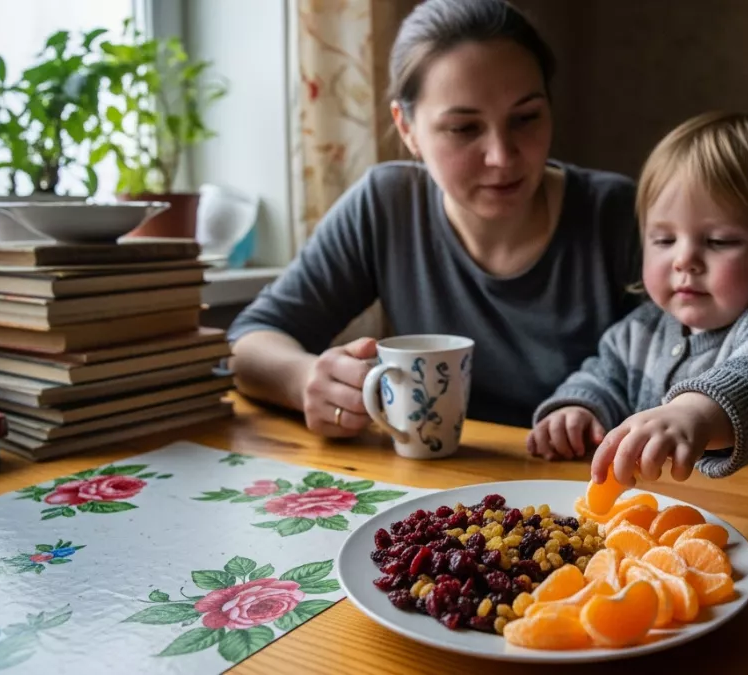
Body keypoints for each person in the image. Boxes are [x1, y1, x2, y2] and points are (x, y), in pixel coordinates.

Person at [227, 0, 639, 436]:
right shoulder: (387, 205)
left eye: (525, 118)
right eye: (464, 128)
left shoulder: (617, 214)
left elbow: (686, 363)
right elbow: (248, 341)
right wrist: (305, 379)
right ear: (407, 128)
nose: (502, 157)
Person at [527, 112, 748, 486]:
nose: (684, 260)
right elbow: (603, 378)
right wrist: (578, 410)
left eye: (718, 241)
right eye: (664, 240)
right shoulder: (640, 331)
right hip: (679, 517)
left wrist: (696, 413)